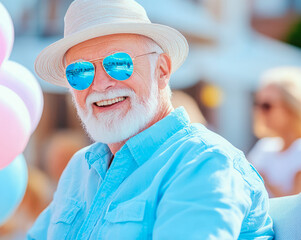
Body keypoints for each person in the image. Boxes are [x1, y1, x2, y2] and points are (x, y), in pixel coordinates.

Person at [28, 0, 274, 239]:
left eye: (118, 63)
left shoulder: (204, 162)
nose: (100, 84)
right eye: (80, 71)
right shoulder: (80, 167)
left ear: (162, 70)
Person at [249, 67, 301, 198]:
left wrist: (263, 180)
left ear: (290, 107)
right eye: (257, 103)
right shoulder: (264, 147)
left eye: (266, 105)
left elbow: (294, 210)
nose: (259, 110)